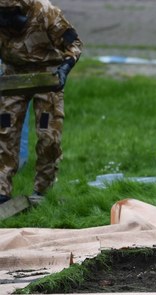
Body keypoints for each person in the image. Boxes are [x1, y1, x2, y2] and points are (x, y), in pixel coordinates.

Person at [0, 0, 83, 205]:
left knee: (48, 136)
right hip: (13, 77)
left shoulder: (45, 11)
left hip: (47, 77)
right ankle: (2, 191)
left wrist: (64, 69)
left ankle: (43, 191)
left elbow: (74, 44)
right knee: (5, 132)